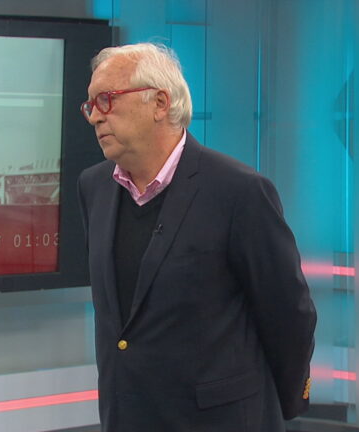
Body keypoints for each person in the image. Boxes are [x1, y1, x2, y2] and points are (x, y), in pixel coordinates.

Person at [77, 42, 317, 432]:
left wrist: (282, 405)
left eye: (107, 100)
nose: (95, 117)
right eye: (90, 105)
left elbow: (288, 313)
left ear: (159, 103)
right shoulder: (93, 187)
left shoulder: (238, 191)